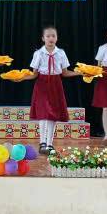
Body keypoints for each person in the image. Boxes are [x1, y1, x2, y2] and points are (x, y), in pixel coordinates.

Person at [20, 26, 79, 155]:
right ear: (43, 38)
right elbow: (34, 74)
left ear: (57, 38)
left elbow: (65, 73)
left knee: (53, 114)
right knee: (43, 113)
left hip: (56, 84)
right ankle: (42, 142)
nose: (51, 38)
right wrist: (21, 78)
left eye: (53, 36)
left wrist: (80, 73)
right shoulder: (38, 53)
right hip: (42, 84)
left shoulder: (61, 53)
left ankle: (50, 144)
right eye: (48, 36)